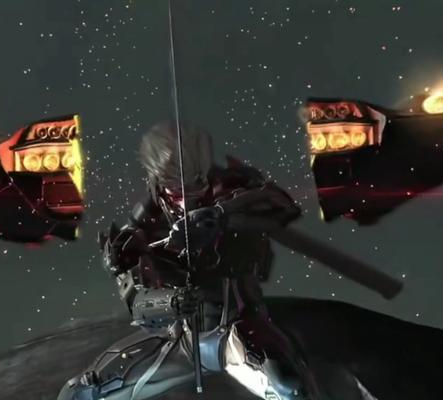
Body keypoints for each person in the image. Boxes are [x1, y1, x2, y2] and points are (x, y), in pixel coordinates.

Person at [58, 121, 369, 400]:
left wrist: (222, 216)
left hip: (238, 330)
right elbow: (136, 302)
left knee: (291, 389)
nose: (186, 199)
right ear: (159, 183)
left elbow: (282, 206)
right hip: (180, 339)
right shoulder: (142, 227)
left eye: (196, 187)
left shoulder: (232, 188)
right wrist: (169, 302)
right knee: (83, 391)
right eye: (177, 192)